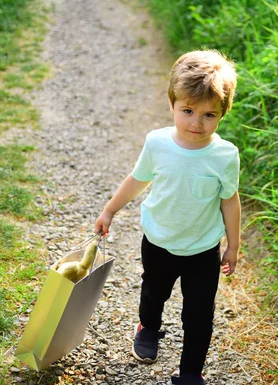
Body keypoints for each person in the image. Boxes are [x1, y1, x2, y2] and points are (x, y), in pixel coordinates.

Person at [94, 49, 240, 385]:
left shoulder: (224, 155)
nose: (196, 123)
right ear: (172, 104)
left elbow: (230, 200)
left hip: (203, 249)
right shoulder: (158, 143)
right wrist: (110, 210)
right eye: (187, 111)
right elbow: (137, 179)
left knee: (199, 314)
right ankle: (148, 326)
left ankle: (190, 372)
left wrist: (233, 245)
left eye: (209, 115)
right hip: (159, 241)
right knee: (154, 292)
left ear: (222, 114)